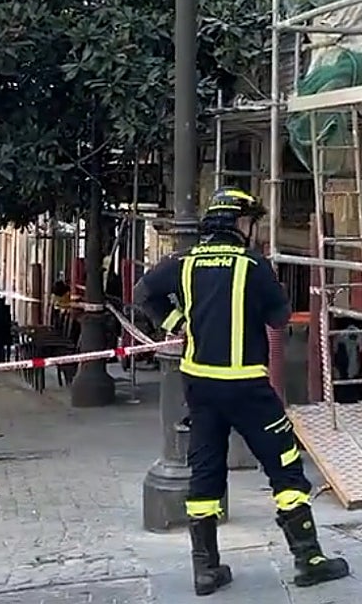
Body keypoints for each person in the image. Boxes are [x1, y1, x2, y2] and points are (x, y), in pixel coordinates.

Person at [133, 187, 349, 597]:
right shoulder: (254, 265)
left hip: (200, 388)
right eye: (252, 222)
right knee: (284, 467)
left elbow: (143, 293)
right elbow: (280, 317)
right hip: (248, 388)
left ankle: (206, 570)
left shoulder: (184, 261)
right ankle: (309, 559)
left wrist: (178, 322)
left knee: (205, 471)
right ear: (238, 223)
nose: (254, 230)